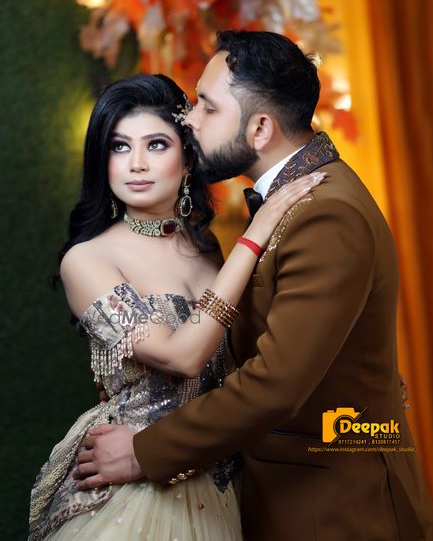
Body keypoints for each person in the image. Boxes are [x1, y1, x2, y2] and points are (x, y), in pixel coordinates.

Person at [76, 32, 433, 541]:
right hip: (274, 493)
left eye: (208, 107)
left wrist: (143, 451)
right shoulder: (291, 204)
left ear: (261, 128)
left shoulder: (324, 213)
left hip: (334, 509)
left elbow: (274, 385)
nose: (190, 120)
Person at [28, 72, 323, 540]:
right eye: (119, 147)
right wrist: (254, 236)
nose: (136, 164)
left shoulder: (207, 252)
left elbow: (258, 360)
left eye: (156, 145)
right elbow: (181, 356)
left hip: (219, 484)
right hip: (130, 490)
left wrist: (339, 374)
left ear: (188, 159)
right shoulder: (87, 260)